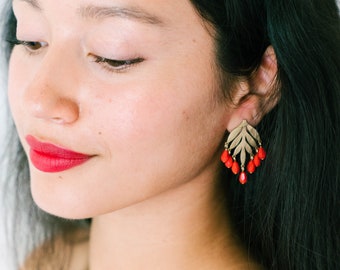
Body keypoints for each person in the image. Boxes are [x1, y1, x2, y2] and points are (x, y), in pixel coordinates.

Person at [1, 0, 339, 269]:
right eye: (31, 39)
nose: (38, 100)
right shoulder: (50, 261)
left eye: (113, 57)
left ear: (257, 82)